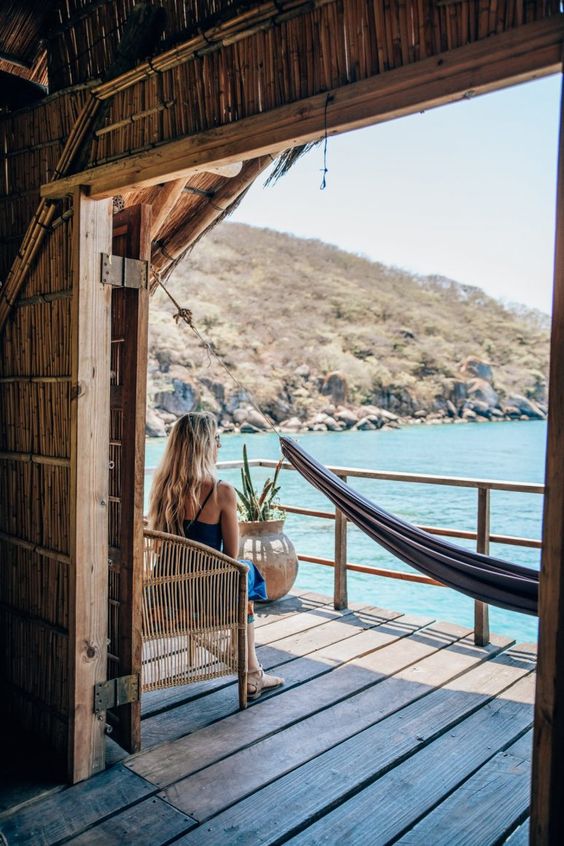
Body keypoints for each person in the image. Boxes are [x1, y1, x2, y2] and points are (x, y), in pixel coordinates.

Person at [148, 411, 284, 700]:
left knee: (242, 579)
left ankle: (251, 667)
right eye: (217, 439)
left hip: (164, 593)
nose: (219, 445)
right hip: (204, 596)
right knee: (244, 574)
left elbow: (159, 547)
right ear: (204, 444)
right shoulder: (221, 490)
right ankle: (252, 672)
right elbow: (231, 555)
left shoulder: (162, 488)